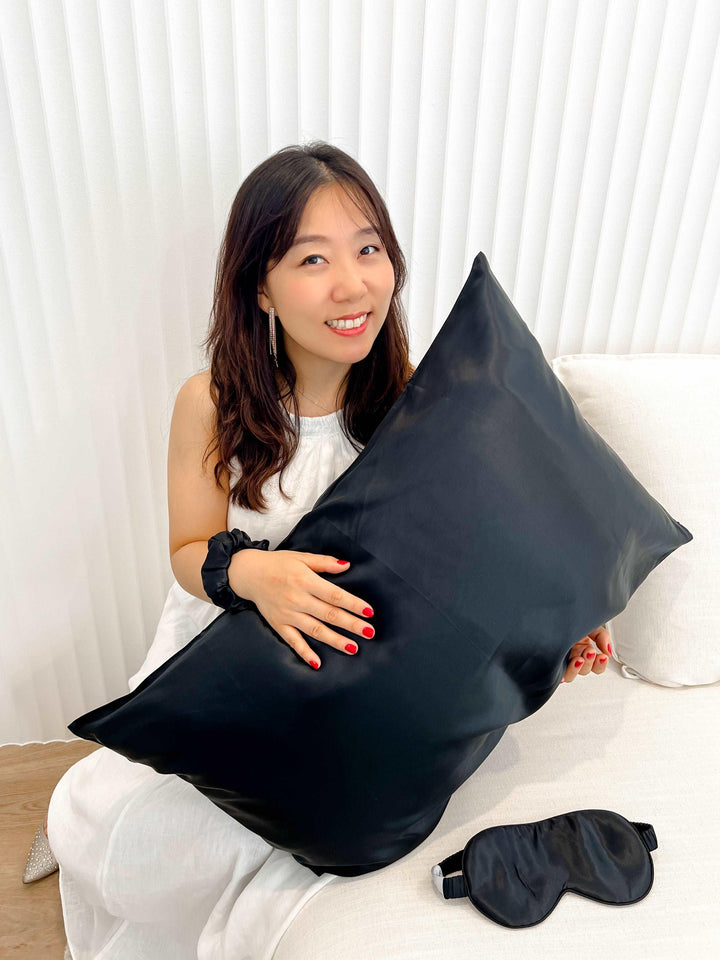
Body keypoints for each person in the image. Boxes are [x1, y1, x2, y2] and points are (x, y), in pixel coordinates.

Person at [44, 141, 611, 959]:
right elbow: (185, 548)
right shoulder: (211, 404)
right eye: (314, 258)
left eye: (369, 249)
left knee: (322, 843)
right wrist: (257, 574)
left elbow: (472, 550)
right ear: (260, 287)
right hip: (236, 655)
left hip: (360, 672)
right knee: (106, 833)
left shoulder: (418, 394)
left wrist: (559, 623)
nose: (353, 286)